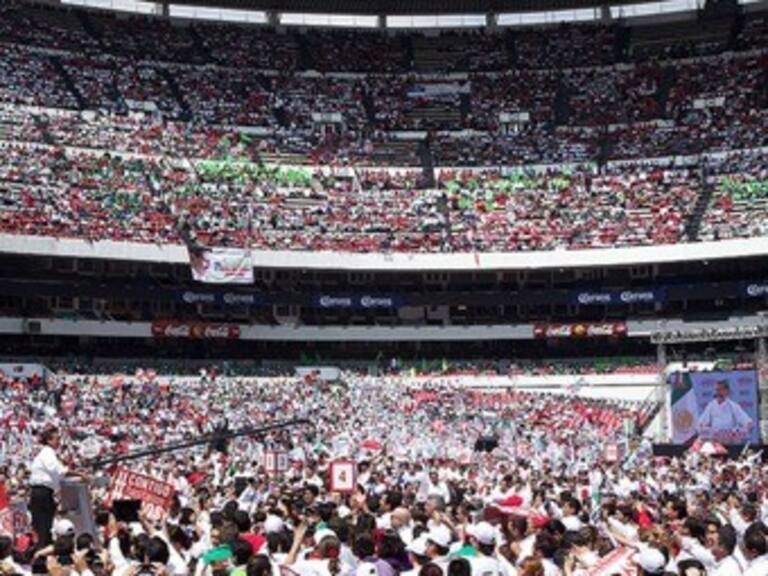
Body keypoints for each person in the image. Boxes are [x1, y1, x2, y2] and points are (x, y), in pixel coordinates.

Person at [28, 427, 69, 547]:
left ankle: (43, 547)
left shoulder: (50, 454)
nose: (59, 441)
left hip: (45, 492)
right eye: (57, 439)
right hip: (42, 492)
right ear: (49, 440)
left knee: (45, 525)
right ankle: (42, 551)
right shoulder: (47, 453)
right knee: (43, 526)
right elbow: (58, 470)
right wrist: (78, 473)